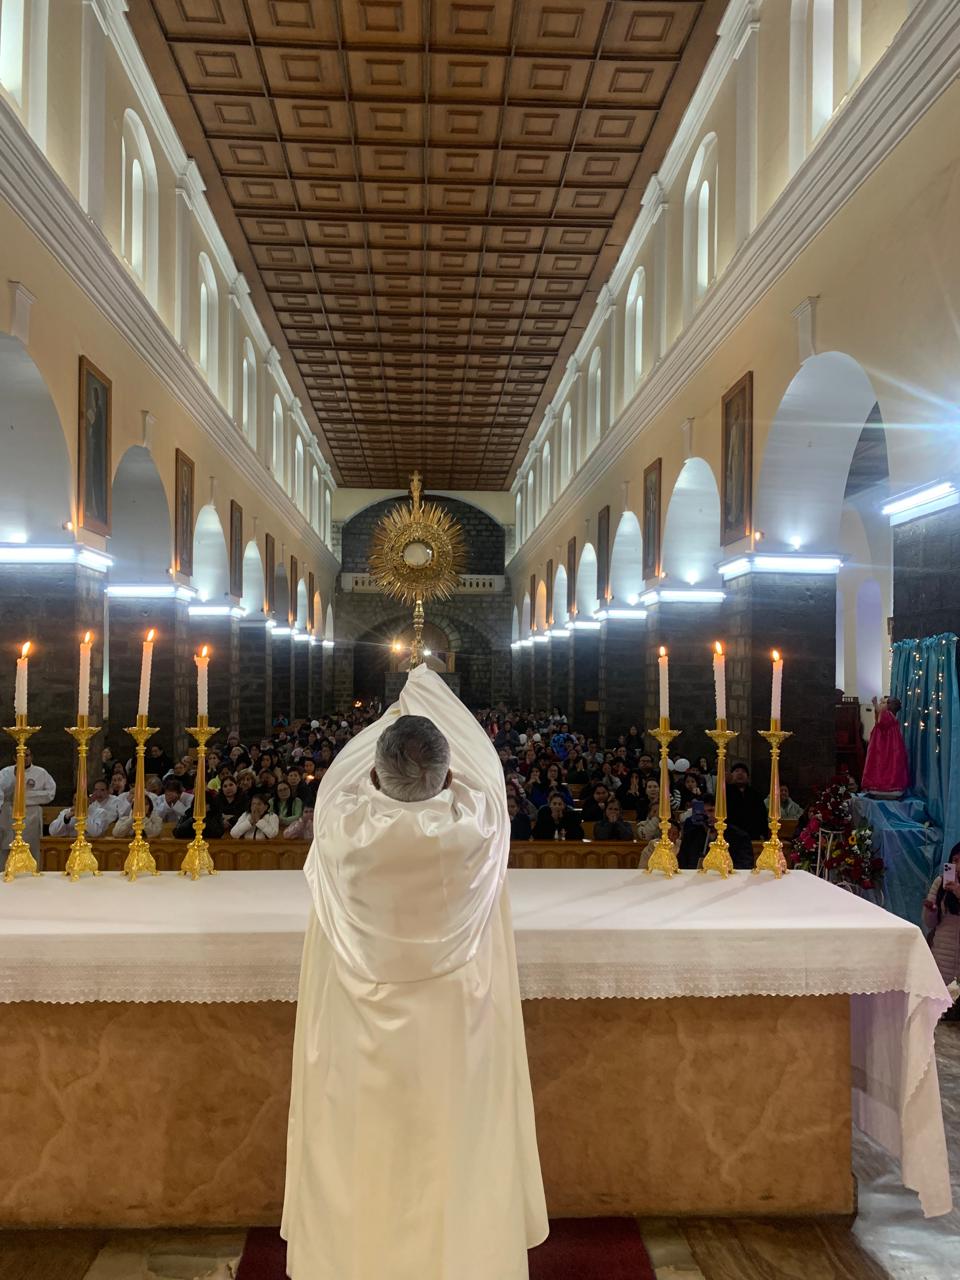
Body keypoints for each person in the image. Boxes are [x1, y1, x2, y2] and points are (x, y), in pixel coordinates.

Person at [282, 666, 548, 1279]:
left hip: (356, 1033)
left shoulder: (342, 832)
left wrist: (394, 706)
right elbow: (485, 764)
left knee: (363, 1147)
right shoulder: (478, 830)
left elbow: (338, 778)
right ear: (449, 774)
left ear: (372, 773)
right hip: (455, 1032)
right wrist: (427, 686)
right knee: (451, 1145)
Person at [0, 747, 56, 862]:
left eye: (27, 755)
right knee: (7, 849)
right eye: (21, 755)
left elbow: (50, 793)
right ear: (14, 758)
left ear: (32, 757)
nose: (25, 758)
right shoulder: (5, 772)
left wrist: (25, 797)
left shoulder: (41, 773)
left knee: (31, 849)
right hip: (9, 815)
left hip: (31, 816)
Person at [923, 844, 960, 998]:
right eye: (955, 860)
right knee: (940, 1002)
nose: (957, 866)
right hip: (942, 952)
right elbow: (929, 923)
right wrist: (932, 911)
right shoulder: (940, 883)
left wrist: (959, 892)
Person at [678, 798, 754, 870]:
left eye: (711, 811)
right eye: (704, 812)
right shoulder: (691, 836)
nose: (707, 815)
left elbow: (746, 865)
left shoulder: (739, 837)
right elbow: (682, 864)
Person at [862, 695, 910, 797]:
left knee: (884, 765)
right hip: (886, 746)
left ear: (889, 706)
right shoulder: (888, 716)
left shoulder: (887, 715)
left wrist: (875, 704)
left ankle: (885, 788)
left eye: (883, 703)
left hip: (884, 747)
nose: (880, 704)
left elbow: (881, 718)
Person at [49, 779, 119, 839]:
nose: (79, 803)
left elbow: (96, 833)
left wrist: (82, 814)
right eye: (76, 800)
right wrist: (66, 818)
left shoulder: (100, 813)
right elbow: (53, 832)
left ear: (88, 800)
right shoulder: (66, 812)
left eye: (82, 800)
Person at [725, 763, 769, 841]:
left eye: (743, 771)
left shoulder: (755, 794)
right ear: (731, 775)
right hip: (730, 837)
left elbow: (762, 816)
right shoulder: (725, 793)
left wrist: (763, 834)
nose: (740, 773)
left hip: (752, 836)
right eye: (736, 771)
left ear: (748, 777)